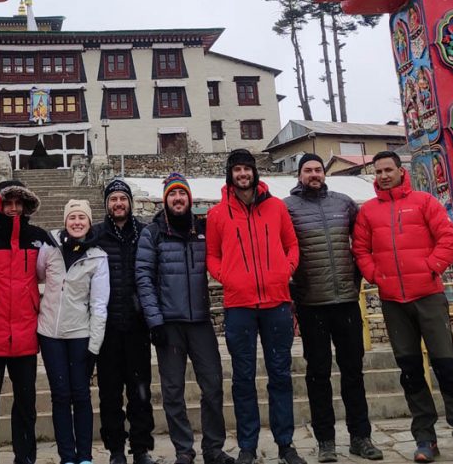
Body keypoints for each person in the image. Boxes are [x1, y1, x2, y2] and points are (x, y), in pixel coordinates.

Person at [352, 151, 453, 464]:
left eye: (388, 169)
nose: (383, 175)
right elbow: (360, 249)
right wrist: (375, 275)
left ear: (400, 171)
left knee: (446, 368)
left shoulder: (424, 202)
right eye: (378, 171)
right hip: (393, 301)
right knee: (410, 371)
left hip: (428, 296)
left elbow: (448, 238)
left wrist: (431, 267)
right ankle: (424, 437)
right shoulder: (368, 212)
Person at [205, 149, 304, 464]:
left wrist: (284, 270)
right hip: (240, 306)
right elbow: (212, 255)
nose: (243, 174)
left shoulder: (276, 207)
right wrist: (228, 278)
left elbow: (292, 244)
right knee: (243, 377)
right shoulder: (218, 214)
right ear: (230, 175)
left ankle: (285, 444)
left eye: (247, 169)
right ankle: (247, 445)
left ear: (254, 173)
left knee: (280, 375)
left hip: (276, 303)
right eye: (237, 170)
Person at [284, 154, 382, 463]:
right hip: (311, 304)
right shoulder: (286, 207)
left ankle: (360, 437)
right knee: (318, 374)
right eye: (307, 170)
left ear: (324, 173)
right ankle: (325, 440)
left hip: (347, 302)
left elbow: (363, 242)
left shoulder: (345, 203)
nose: (313, 174)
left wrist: (360, 276)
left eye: (317, 170)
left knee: (353, 371)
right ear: (299, 175)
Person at [136, 172, 234, 464]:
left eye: (182, 194)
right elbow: (143, 277)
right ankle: (184, 450)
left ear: (189, 198)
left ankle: (213, 448)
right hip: (169, 325)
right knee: (173, 391)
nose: (178, 199)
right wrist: (154, 321)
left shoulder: (203, 229)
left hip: (201, 322)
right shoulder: (152, 233)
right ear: (164, 199)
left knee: (213, 385)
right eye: (172, 194)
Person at [0, 180, 50, 464]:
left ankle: (26, 457)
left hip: (26, 334)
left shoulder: (39, 237)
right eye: (8, 203)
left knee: (26, 405)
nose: (14, 208)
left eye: (19, 203)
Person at [37, 199, 110, 464]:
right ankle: (67, 456)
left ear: (89, 222)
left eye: (82, 218)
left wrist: (94, 345)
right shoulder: (49, 248)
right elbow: (39, 275)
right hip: (51, 334)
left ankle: (85, 457)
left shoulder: (98, 256)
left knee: (80, 395)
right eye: (72, 218)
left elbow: (99, 304)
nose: (77, 222)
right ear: (65, 221)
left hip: (80, 334)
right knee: (60, 396)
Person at [93, 178, 156, 464]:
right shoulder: (96, 236)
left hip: (137, 326)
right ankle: (116, 449)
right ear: (107, 204)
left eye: (122, 198)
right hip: (107, 329)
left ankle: (141, 448)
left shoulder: (144, 233)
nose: (118, 203)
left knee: (140, 393)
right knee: (109, 393)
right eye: (113, 199)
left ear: (129, 202)